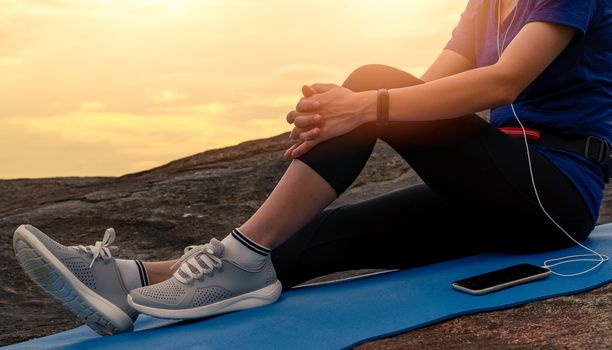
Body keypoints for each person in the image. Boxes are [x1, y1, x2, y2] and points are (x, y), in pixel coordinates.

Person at [13, 0, 611, 336]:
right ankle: (132, 282)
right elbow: (429, 93)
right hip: (497, 193)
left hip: (553, 189)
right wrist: (343, 113)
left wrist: (363, 104)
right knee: (316, 233)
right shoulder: (485, 5)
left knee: (372, 84)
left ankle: (242, 253)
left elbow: (506, 79)